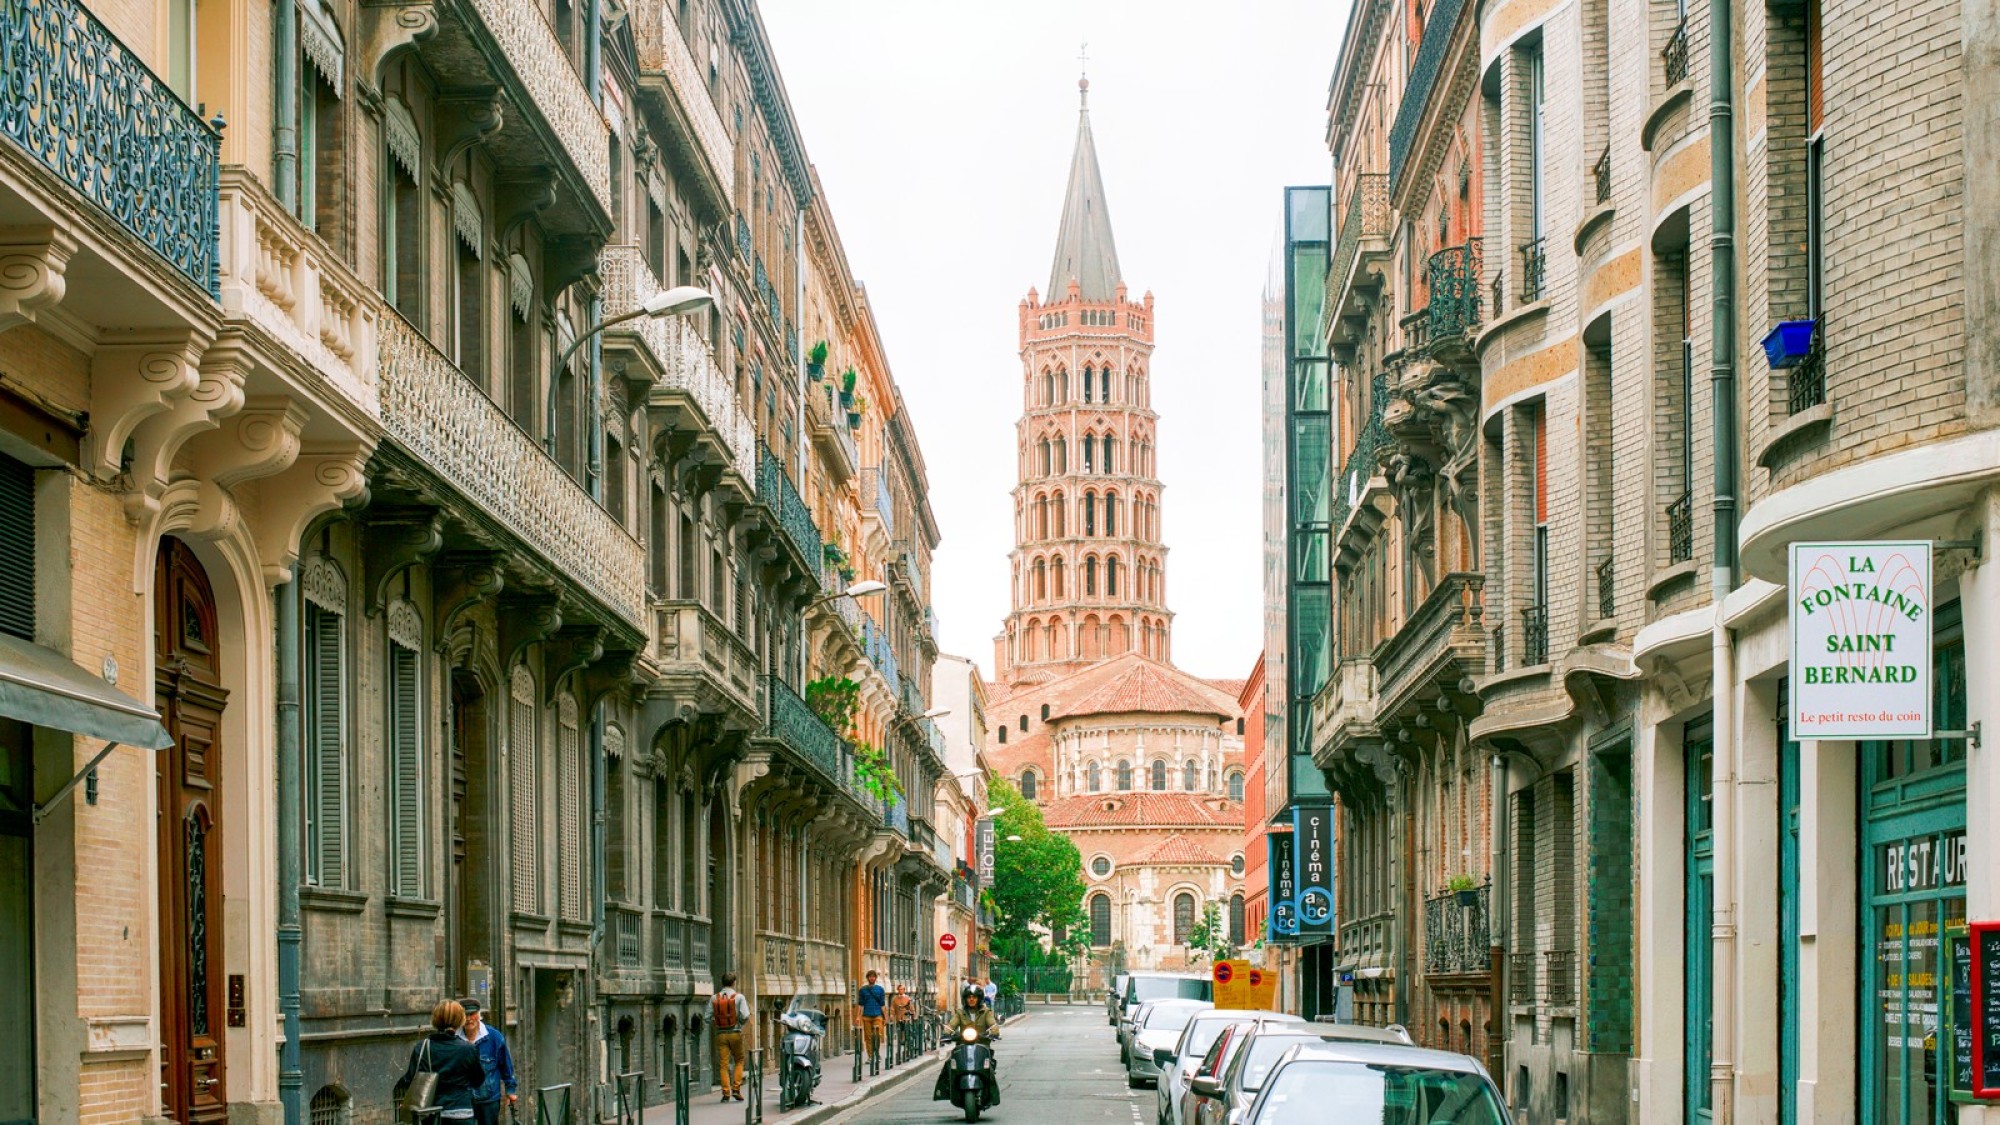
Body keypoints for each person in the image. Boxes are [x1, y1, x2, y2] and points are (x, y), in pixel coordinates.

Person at [399, 1000, 485, 1122]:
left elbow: (410, 1079)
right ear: (460, 1020)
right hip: (461, 1113)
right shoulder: (468, 1049)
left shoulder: (423, 1047)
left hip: (431, 1113)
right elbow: (478, 1080)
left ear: (435, 1020)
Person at [934, 983, 1001, 1105]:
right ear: (965, 999)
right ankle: (947, 1090)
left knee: (989, 1067)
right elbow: (951, 1025)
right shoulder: (960, 1013)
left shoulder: (986, 1012)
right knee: (949, 1065)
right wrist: (946, 1033)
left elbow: (993, 1025)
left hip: (982, 1045)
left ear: (979, 999)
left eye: (974, 997)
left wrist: (993, 1032)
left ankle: (991, 1093)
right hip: (963, 1045)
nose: (971, 999)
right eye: (969, 997)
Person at [457, 998, 517, 1125]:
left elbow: (506, 1066)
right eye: (465, 1015)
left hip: (489, 1100)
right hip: (463, 1101)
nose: (468, 1018)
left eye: (472, 1014)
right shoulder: (454, 1039)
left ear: (479, 1014)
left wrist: (510, 1090)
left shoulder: (494, 1037)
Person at [712, 973, 751, 1103]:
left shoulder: (714, 998)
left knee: (723, 1064)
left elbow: (707, 1018)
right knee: (739, 1060)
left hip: (721, 1034)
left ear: (722, 983)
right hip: (735, 1033)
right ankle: (736, 1088)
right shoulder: (739, 997)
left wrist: (718, 1022)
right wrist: (738, 1022)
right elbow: (745, 1015)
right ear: (734, 982)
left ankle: (726, 1093)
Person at [856, 970, 887, 1061]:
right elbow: (860, 1005)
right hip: (866, 1016)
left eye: (873, 977)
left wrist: (885, 1017)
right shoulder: (863, 990)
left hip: (878, 1015)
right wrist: (858, 1016)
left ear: (875, 978)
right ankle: (870, 1056)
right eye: (870, 977)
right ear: (867, 978)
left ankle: (876, 1053)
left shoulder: (880, 989)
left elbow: (882, 1005)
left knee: (877, 1035)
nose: (872, 978)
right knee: (868, 1037)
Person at [889, 983, 916, 1054]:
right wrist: (891, 1015)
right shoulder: (895, 999)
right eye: (899, 989)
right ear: (898, 990)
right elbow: (892, 1008)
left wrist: (913, 1014)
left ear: (904, 990)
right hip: (898, 1017)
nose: (901, 990)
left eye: (902, 989)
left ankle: (907, 1041)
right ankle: (901, 1041)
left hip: (906, 1017)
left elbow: (911, 1007)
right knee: (900, 1029)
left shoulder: (907, 998)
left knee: (907, 1029)